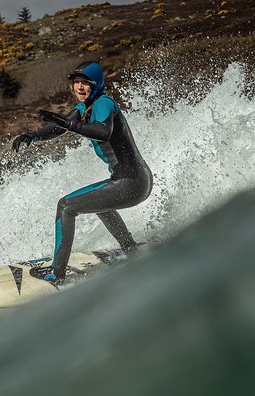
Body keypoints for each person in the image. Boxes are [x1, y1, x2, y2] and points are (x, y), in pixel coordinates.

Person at [12, 61, 152, 284]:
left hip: (130, 182)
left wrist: (69, 125)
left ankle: (56, 273)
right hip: (138, 180)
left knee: (66, 206)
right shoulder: (86, 105)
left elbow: (103, 132)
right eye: (75, 83)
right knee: (98, 203)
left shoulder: (103, 103)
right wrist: (33, 136)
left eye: (84, 83)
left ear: (95, 85)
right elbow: (62, 125)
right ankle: (131, 249)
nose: (79, 87)